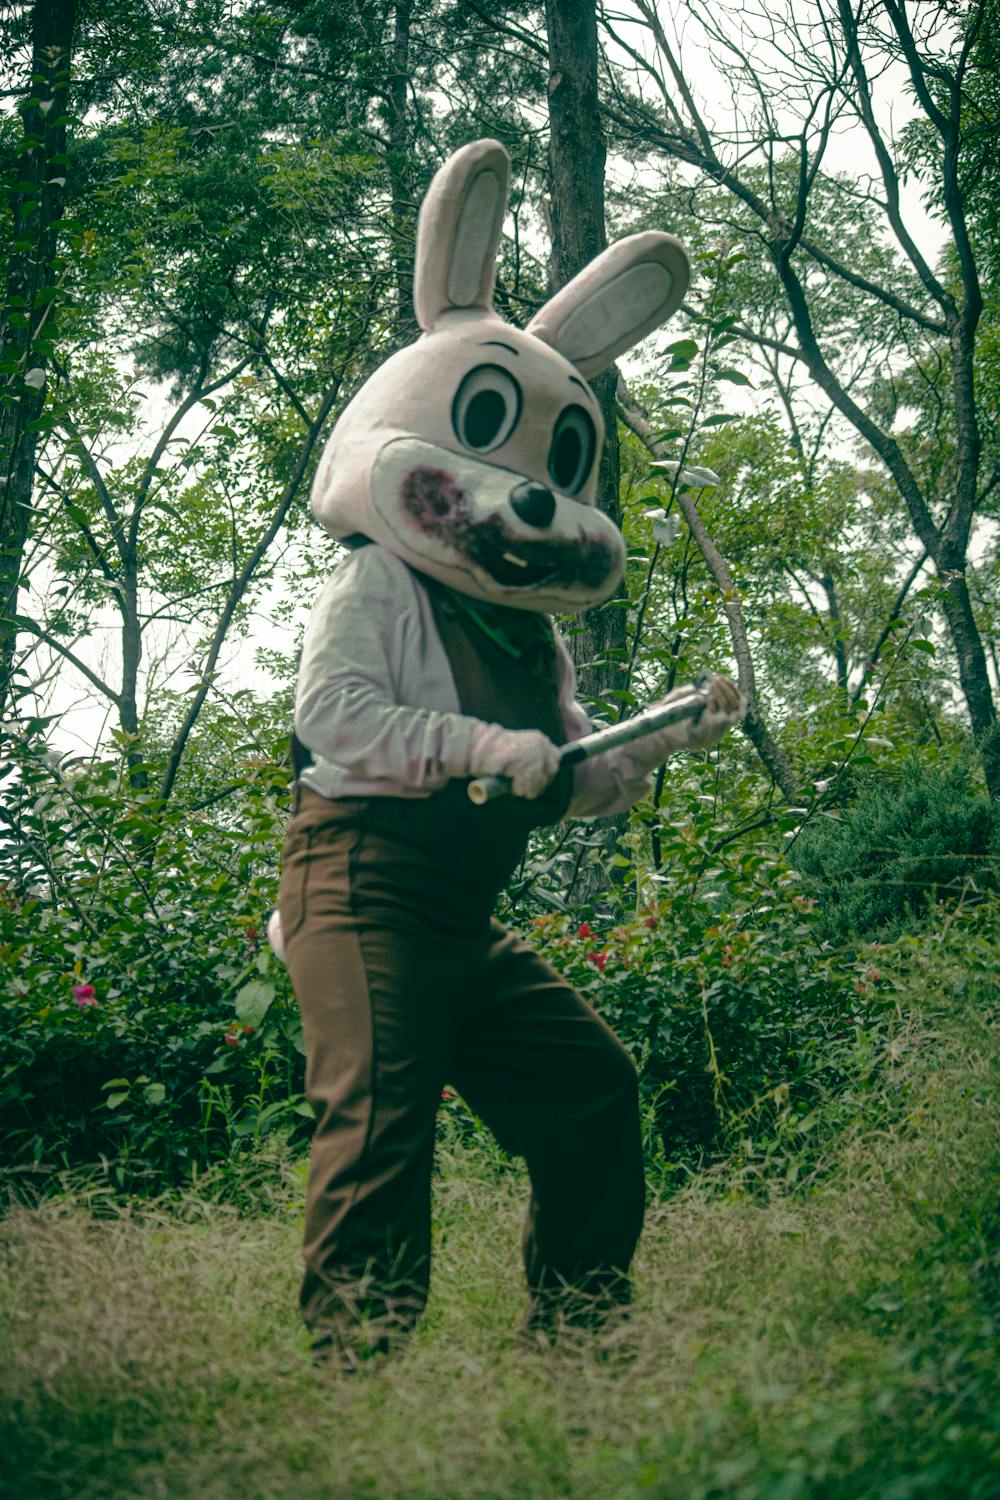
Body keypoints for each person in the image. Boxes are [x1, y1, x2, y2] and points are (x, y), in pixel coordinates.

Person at [274, 139, 742, 1368]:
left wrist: (660, 737)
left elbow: (574, 777)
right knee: (380, 1124)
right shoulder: (377, 581)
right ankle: (351, 1381)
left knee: (588, 1089)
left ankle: (576, 1341)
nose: (530, 497)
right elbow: (337, 721)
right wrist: (484, 743)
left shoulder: (530, 637)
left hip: (458, 916)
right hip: (358, 888)